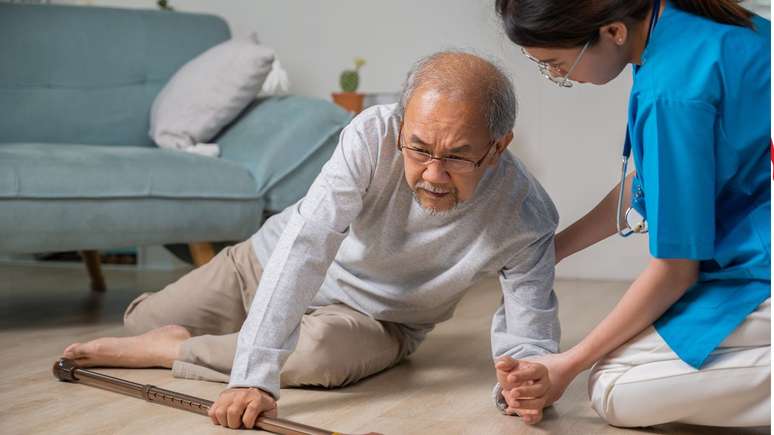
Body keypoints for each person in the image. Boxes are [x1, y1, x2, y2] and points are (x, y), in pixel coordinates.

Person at [63, 51, 562, 429]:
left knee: (320, 354)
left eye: (457, 156)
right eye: (418, 147)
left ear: (498, 147)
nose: (433, 174)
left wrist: (522, 386)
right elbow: (306, 245)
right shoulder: (371, 133)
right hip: (265, 262)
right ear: (401, 126)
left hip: (375, 319)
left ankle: (174, 351)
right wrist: (253, 372)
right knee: (140, 319)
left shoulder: (526, 216)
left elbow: (530, 337)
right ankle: (176, 339)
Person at [493, 0, 771, 427]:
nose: (557, 76)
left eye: (556, 64)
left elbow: (676, 271)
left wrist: (566, 365)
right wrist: (553, 250)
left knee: (612, 386)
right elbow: (658, 179)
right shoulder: (688, 24)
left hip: (759, 269)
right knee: (620, 361)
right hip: (754, 248)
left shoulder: (670, 90)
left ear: (613, 33)